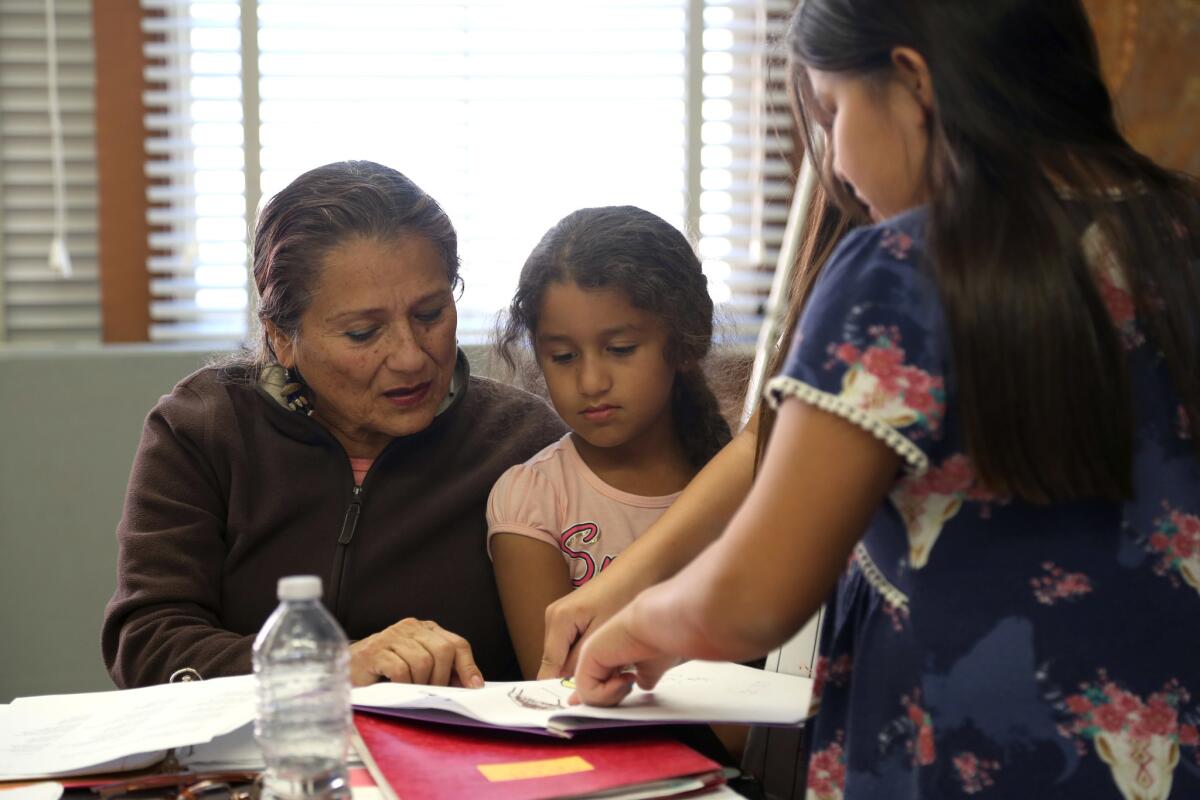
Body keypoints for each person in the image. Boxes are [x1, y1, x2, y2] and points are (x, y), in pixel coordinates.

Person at [567, 2, 1200, 798]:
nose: (831, 163)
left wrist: (640, 625)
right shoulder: (1181, 240)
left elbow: (757, 593)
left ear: (912, 82)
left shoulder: (900, 268)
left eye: (831, 112)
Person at [102, 160, 566, 689]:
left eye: (431, 314)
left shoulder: (524, 444)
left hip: (466, 760)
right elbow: (147, 642)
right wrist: (323, 668)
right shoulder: (203, 430)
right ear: (281, 337)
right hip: (264, 756)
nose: (412, 357)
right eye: (364, 333)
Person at [486, 206, 731, 680]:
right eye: (563, 356)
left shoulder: (744, 487)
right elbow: (558, 690)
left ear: (682, 342)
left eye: (620, 350)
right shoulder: (533, 498)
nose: (591, 381)